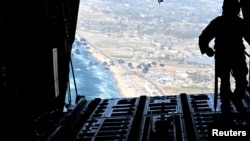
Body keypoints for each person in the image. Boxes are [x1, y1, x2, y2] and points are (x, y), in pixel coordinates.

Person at [198, 0, 250, 117]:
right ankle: (233, 101)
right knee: (240, 81)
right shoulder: (239, 23)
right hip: (236, 56)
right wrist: (207, 49)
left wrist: (207, 50)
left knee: (227, 83)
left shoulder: (218, 22)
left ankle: (227, 105)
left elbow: (203, 38)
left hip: (224, 56)